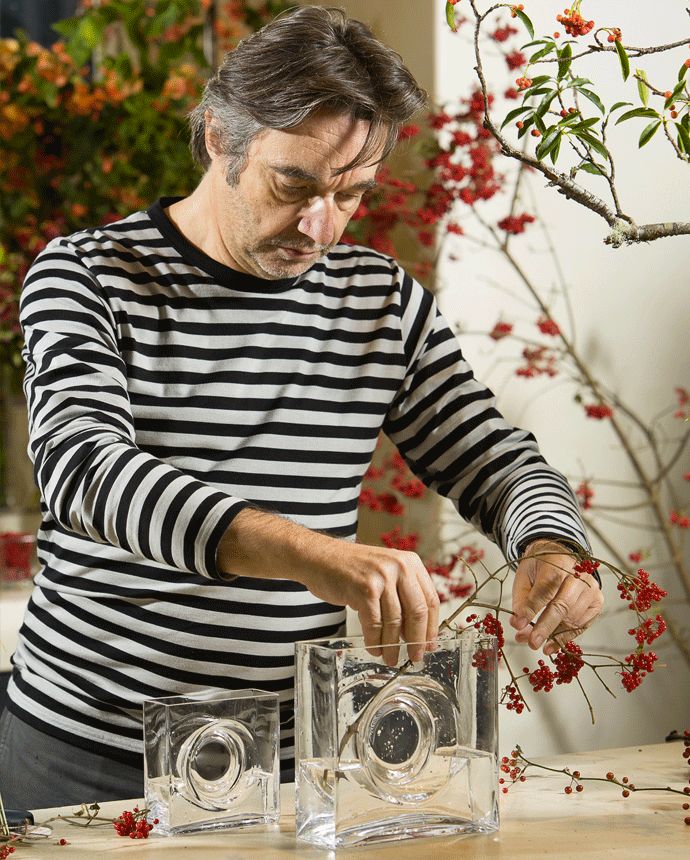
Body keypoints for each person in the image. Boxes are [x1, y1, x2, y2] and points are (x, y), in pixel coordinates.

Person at [0, 6, 603, 808]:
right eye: (295, 184)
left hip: (288, 761)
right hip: (87, 750)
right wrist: (315, 555)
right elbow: (86, 474)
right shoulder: (89, 276)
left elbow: (496, 460)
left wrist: (552, 547)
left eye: (351, 193)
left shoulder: (380, 303)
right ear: (219, 136)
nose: (320, 224)